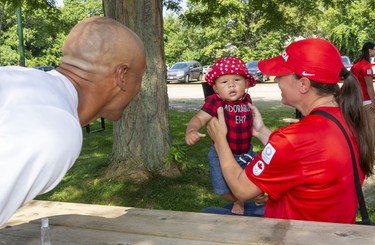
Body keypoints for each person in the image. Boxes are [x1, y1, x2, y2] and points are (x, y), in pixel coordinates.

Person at [206, 38, 375, 224]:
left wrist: (220, 140)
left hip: (292, 234)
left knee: (208, 213)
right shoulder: (348, 119)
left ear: (303, 84)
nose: (276, 79)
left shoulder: (294, 139)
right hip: (330, 230)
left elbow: (241, 189)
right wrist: (262, 131)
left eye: (281, 74)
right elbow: (305, 157)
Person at [0, 16, 146, 225]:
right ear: (122, 76)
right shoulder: (54, 129)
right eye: (140, 76)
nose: (138, 88)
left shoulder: (19, 80)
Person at [186, 56, 258, 215]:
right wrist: (191, 130)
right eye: (224, 82)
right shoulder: (215, 102)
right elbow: (198, 118)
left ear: (246, 83)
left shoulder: (246, 99)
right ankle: (237, 200)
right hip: (220, 154)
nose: (231, 85)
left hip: (245, 152)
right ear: (216, 88)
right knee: (222, 189)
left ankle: (244, 200)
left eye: (237, 80)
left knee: (254, 183)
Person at [351, 42, 375, 133]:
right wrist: (373, 102)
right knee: (371, 130)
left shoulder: (356, 64)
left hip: (356, 99)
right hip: (367, 100)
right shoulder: (366, 65)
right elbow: (369, 85)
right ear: (370, 50)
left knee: (361, 130)